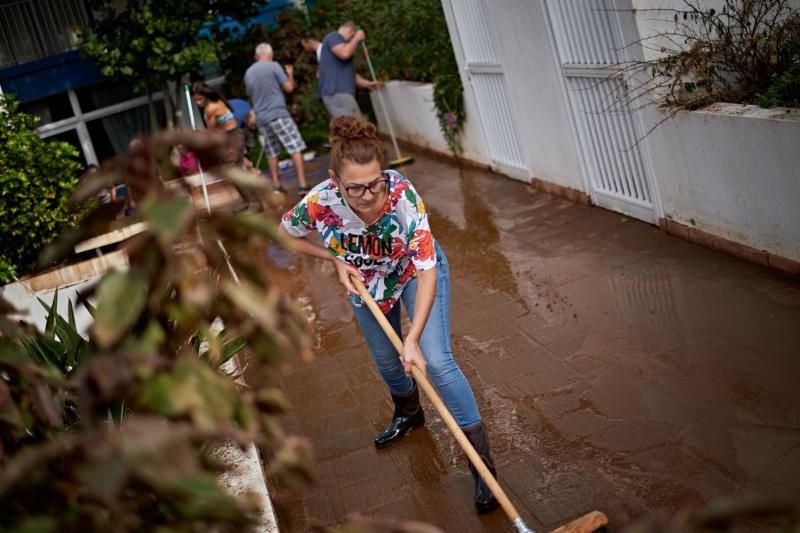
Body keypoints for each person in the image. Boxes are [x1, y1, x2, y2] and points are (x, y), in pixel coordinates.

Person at [278, 116, 500, 515]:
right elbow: (285, 233)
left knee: (437, 360)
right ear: (335, 180)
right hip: (366, 280)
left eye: (375, 182)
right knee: (386, 360)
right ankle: (409, 415)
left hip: (415, 271)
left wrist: (413, 337)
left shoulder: (402, 196)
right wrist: (333, 259)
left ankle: (482, 467)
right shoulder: (321, 200)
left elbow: (429, 268)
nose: (367, 195)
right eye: (355, 187)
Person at [245, 42, 309, 195]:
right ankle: (302, 184)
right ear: (270, 55)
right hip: (278, 113)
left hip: (262, 118)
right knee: (294, 147)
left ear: (256, 56)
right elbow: (289, 87)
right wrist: (290, 74)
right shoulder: (273, 65)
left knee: (271, 152)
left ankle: (276, 185)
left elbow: (251, 95)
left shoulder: (248, 72)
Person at [318, 21, 381, 118]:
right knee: (354, 128)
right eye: (352, 37)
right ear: (351, 31)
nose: (351, 41)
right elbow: (345, 53)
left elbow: (351, 75)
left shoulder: (339, 45)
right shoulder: (334, 37)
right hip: (337, 92)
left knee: (352, 127)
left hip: (339, 93)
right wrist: (357, 38)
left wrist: (367, 83)